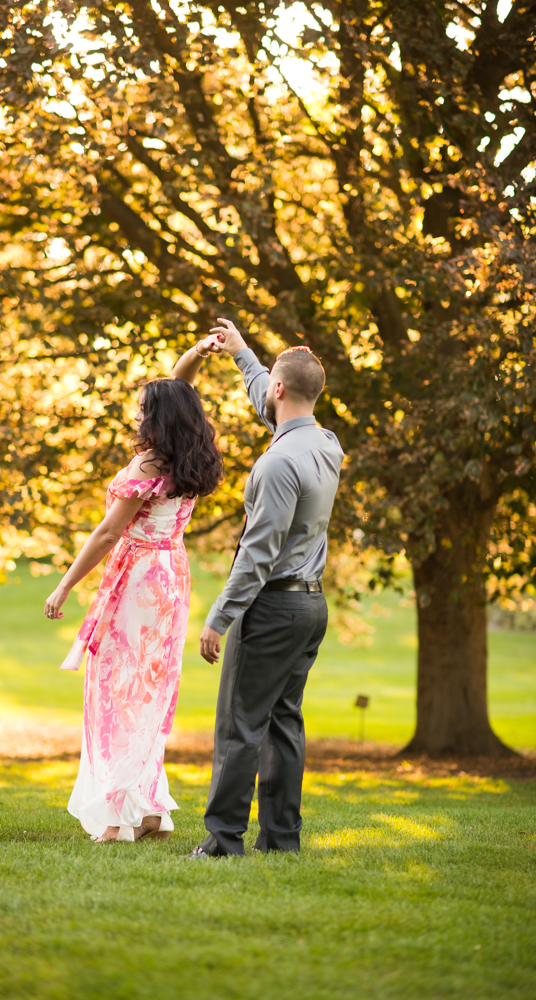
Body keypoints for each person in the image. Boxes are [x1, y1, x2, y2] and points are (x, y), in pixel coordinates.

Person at [45, 336, 224, 843]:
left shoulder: (146, 467)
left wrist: (63, 586)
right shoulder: (189, 456)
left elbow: (106, 533)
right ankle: (149, 812)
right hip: (170, 577)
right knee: (149, 690)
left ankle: (117, 817)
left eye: (144, 409)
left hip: (138, 577)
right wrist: (195, 353)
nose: (139, 414)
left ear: (157, 419)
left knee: (117, 690)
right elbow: (178, 391)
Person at [188, 318, 344, 859]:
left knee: (240, 724)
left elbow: (258, 554)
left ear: (281, 389)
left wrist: (218, 617)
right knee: (284, 725)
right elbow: (273, 403)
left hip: (273, 608)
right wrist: (244, 355)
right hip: (310, 607)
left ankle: (223, 840)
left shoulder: (277, 464)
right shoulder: (325, 444)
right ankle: (281, 840)